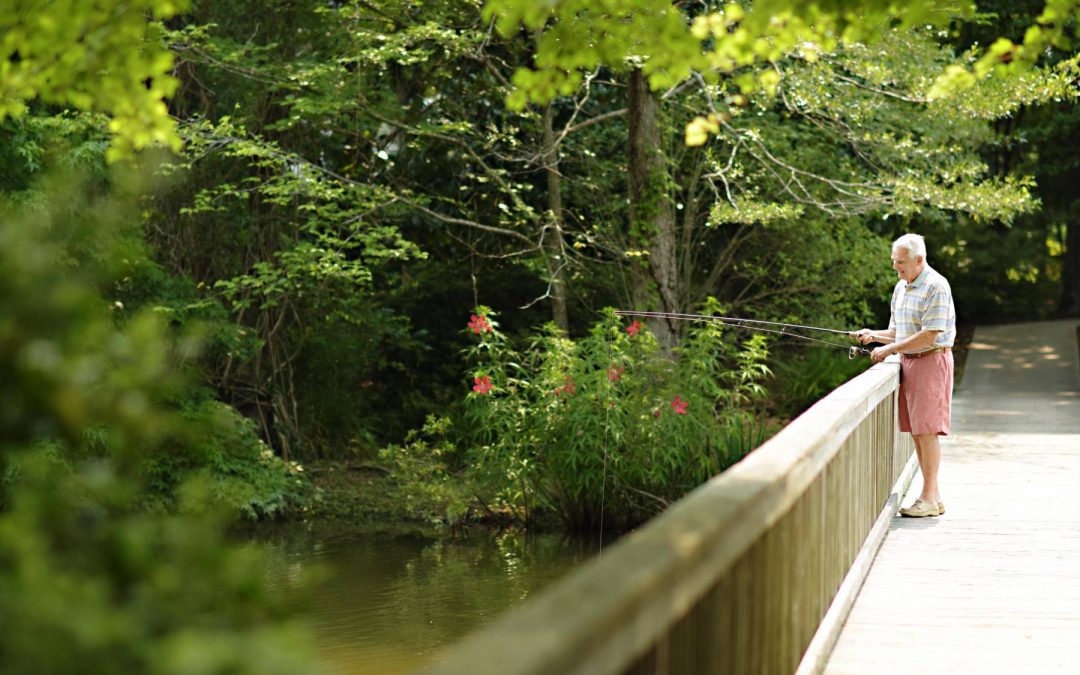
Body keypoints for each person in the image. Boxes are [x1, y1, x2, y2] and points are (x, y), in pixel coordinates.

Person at [853, 233, 956, 518]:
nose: (895, 267)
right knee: (917, 432)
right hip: (910, 364)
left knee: (927, 431)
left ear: (919, 260)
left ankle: (929, 498)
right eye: (894, 261)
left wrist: (889, 351)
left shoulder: (936, 286)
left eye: (900, 262)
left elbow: (929, 335)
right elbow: (899, 332)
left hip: (931, 361)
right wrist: (873, 336)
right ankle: (932, 497)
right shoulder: (902, 287)